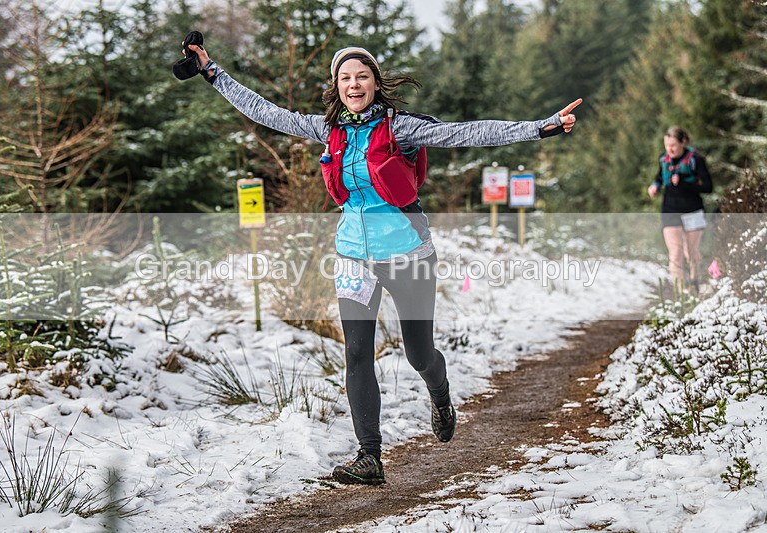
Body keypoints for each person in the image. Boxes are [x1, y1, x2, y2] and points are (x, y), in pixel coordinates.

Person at [184, 41, 581, 485]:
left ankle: (440, 391)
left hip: (408, 253)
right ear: (336, 87)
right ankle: (369, 457)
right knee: (356, 354)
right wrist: (212, 71)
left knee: (419, 353)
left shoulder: (402, 129)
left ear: (375, 82)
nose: (354, 84)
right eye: (345, 78)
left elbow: (468, 132)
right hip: (354, 254)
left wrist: (541, 128)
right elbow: (266, 111)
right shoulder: (327, 129)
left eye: (362, 76)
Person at [648, 126, 713, 294]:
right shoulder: (664, 159)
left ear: (683, 142)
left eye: (673, 145)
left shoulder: (695, 159)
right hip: (670, 209)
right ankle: (678, 292)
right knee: (675, 252)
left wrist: (684, 183)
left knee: (691, 252)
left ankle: (694, 284)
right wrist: (654, 186)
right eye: (667, 145)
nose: (669, 149)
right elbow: (659, 178)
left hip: (692, 210)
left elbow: (708, 187)